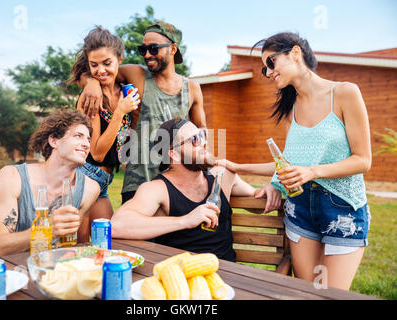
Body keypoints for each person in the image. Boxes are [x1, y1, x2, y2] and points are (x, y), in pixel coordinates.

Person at [218, 32, 372, 290]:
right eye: (264, 68)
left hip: (342, 208)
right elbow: (288, 163)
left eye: (271, 63)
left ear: (296, 53)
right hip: (299, 208)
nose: (268, 73)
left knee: (329, 294)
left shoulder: (345, 93)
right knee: (307, 291)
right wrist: (263, 178)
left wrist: (311, 171)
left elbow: (363, 160)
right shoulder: (291, 108)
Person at [110, 118, 282, 261]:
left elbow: (257, 200)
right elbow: (117, 226)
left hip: (229, 275)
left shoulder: (222, 176)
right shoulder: (157, 189)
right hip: (184, 278)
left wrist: (271, 186)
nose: (204, 142)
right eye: (194, 140)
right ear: (174, 154)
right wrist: (185, 220)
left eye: (202, 135)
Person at [76, 21, 206, 204]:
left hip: (176, 184)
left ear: (173, 49)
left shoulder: (192, 89)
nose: (147, 55)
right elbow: (101, 71)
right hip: (137, 183)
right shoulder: (135, 74)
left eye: (153, 49)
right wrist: (91, 83)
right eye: (142, 49)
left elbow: (201, 135)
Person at [0, 110, 100, 263]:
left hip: (38, 268)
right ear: (54, 141)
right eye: (78, 136)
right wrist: (47, 231)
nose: (86, 144)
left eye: (88, 139)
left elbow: (68, 243)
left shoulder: (90, 189)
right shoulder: (12, 177)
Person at [70, 26, 140, 233]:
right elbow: (98, 153)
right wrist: (120, 112)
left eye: (107, 63)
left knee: (106, 243)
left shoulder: (124, 92)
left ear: (119, 58)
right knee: (78, 249)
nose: (101, 71)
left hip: (102, 182)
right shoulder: (91, 98)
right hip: (84, 176)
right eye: (94, 65)